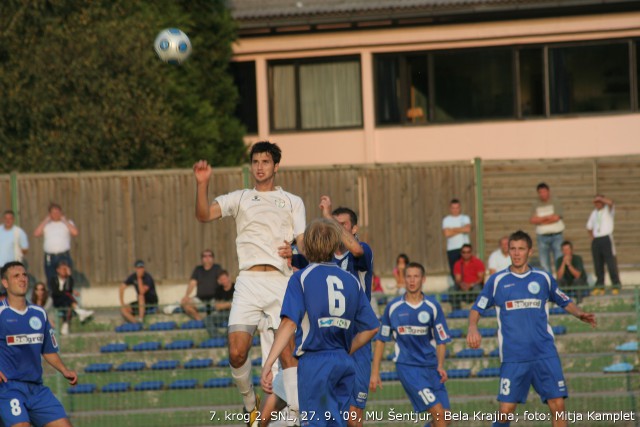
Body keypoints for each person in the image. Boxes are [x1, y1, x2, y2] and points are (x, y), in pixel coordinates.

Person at [194, 141, 306, 425]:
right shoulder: (241, 197)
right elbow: (204, 214)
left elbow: (304, 248)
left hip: (282, 282)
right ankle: (250, 404)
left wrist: (294, 253)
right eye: (256, 161)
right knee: (236, 351)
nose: (259, 167)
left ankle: (296, 413)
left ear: (276, 166)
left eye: (265, 162)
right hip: (248, 282)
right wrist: (202, 184)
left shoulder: (293, 201)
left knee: (289, 357)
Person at [467, 230, 596, 427]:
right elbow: (477, 308)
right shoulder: (497, 281)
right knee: (505, 411)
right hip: (514, 356)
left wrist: (579, 314)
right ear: (508, 251)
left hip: (544, 353)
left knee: (558, 405)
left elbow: (564, 300)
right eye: (513, 249)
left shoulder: (542, 278)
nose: (517, 253)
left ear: (530, 251)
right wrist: (472, 327)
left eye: (521, 249)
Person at [260, 219, 379, 427]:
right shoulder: (350, 280)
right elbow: (372, 327)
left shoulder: (302, 278)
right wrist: (345, 349)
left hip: (315, 362)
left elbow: (288, 324)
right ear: (334, 244)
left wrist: (269, 363)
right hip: (344, 361)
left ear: (308, 246)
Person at [370, 262, 452, 427]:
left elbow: (441, 340)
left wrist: (441, 365)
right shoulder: (393, 308)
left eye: (416, 276)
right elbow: (381, 339)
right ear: (404, 279)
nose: (412, 280)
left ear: (423, 279)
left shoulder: (432, 307)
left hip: (431, 367)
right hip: (409, 368)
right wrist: (375, 372)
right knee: (438, 414)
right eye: (408, 276)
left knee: (446, 418)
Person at [0, 261, 78, 427]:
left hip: (37, 389)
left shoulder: (39, 313)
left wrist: (64, 370)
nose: (22, 279)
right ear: (5, 283)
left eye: (24, 275)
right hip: (9, 389)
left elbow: (48, 349)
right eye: (16, 276)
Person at [319, 197, 374, 427]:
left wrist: (327, 217)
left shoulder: (362, 252)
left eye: (343, 224)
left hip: (358, 338)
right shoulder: (323, 257)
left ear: (354, 228)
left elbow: (355, 248)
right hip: (331, 338)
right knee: (329, 412)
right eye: (335, 224)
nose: (339, 228)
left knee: (354, 417)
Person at [33, 203, 79, 282]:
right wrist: (46, 220)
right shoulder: (47, 225)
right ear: (50, 214)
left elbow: (75, 233)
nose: (56, 214)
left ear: (61, 213)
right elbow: (36, 233)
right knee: (51, 280)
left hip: (63, 256)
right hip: (49, 257)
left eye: (57, 212)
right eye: (53, 213)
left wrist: (64, 220)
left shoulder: (67, 223)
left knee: (65, 280)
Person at [586, 194, 621, 296]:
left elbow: (611, 203)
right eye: (596, 202)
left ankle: (616, 284)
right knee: (598, 263)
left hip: (606, 238)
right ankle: (600, 285)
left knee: (610, 263)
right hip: (597, 239)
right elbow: (589, 227)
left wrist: (601, 198)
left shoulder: (608, 211)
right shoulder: (593, 213)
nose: (597, 204)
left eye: (599, 202)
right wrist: (592, 238)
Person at [47, 260, 94, 335]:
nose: (65, 271)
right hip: (56, 300)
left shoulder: (69, 280)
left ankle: (65, 325)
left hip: (66, 301)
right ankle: (80, 312)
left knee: (68, 304)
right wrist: (70, 292)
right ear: (58, 270)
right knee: (67, 295)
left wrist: (69, 277)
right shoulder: (54, 279)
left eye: (66, 269)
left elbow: (68, 289)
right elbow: (55, 292)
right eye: (63, 269)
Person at [529, 183, 565, 274]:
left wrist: (541, 220)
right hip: (542, 236)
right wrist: (549, 218)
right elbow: (532, 220)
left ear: (548, 191)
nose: (542, 194)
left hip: (556, 235)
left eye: (544, 191)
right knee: (544, 262)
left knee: (559, 260)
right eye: (540, 192)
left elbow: (557, 217)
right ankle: (548, 282)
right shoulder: (535, 204)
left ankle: (559, 283)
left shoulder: (555, 201)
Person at [181, 249, 223, 320]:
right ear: (202, 258)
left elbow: (222, 281)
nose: (207, 258)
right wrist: (186, 296)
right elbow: (192, 283)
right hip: (200, 299)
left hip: (214, 299)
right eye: (205, 256)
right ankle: (199, 319)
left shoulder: (217, 268)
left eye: (209, 256)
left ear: (213, 258)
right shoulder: (198, 269)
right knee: (184, 303)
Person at [119, 260, 158, 324]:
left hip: (151, 302)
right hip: (141, 303)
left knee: (140, 296)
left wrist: (139, 278)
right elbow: (121, 288)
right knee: (123, 309)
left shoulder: (148, 278)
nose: (140, 270)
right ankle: (136, 323)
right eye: (138, 268)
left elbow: (142, 292)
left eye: (141, 268)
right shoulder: (133, 277)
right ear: (135, 269)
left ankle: (141, 319)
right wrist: (122, 303)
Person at [442, 199, 471, 279]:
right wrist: (461, 229)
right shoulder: (446, 220)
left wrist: (453, 229)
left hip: (464, 248)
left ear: (460, 208)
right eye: (453, 208)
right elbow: (447, 233)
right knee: (454, 270)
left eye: (457, 208)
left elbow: (467, 229)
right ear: (450, 208)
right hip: (452, 248)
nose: (455, 210)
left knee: (466, 269)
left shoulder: (465, 218)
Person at [452, 244, 485, 310]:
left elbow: (481, 278)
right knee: (452, 290)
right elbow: (458, 279)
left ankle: (479, 309)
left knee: (477, 288)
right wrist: (462, 284)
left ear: (471, 252)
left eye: (468, 252)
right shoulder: (458, 264)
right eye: (464, 252)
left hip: (474, 285)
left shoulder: (477, 262)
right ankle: (456, 311)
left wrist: (471, 285)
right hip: (463, 285)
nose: (466, 254)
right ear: (461, 253)